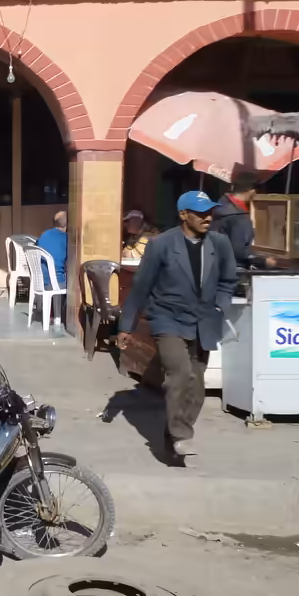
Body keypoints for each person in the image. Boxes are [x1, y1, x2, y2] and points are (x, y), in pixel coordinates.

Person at [117, 190, 237, 464]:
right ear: (183, 215)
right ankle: (182, 435)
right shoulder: (161, 245)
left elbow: (229, 280)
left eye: (210, 212)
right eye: (201, 212)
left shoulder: (220, 244)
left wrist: (221, 304)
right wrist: (126, 326)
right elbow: (141, 287)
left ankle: (172, 435)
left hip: (204, 320)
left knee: (196, 385)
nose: (208, 217)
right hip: (167, 318)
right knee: (180, 373)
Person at [211, 176, 278, 270]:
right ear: (252, 191)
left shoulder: (221, 206)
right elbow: (239, 251)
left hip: (217, 265)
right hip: (234, 270)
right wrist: (263, 261)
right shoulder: (237, 216)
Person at [36, 210, 69, 320]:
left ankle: (52, 313)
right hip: (57, 283)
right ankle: (60, 317)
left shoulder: (44, 235)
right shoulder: (68, 239)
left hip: (42, 281)